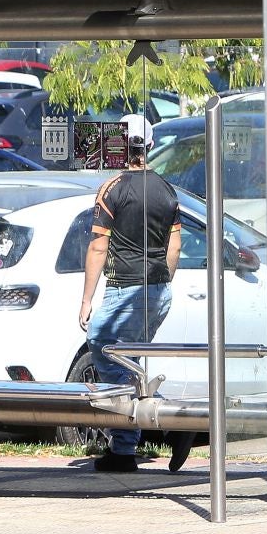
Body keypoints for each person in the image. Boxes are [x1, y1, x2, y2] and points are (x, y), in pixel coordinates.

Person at [77, 123, 194, 473]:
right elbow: (174, 246)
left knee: (101, 345)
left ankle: (171, 425)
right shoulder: (166, 190)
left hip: (124, 289)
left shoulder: (111, 190)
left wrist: (86, 299)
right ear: (151, 145)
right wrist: (159, 282)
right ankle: (127, 447)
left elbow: (99, 246)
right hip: (157, 289)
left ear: (120, 147)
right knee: (128, 364)